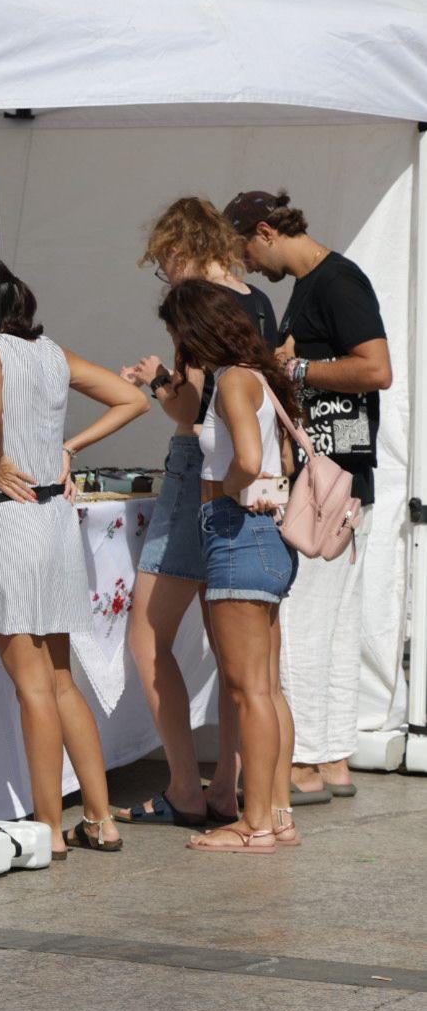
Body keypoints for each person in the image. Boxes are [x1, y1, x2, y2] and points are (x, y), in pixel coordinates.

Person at [0, 266, 147, 857]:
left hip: (11, 517)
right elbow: (132, 398)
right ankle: (100, 817)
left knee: (32, 684)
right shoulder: (53, 352)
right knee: (60, 679)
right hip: (56, 517)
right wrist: (70, 447)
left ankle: (46, 828)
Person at [115, 197, 285, 826]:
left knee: (148, 632)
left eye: (165, 261)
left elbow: (190, 412)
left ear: (182, 247)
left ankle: (186, 787)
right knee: (245, 659)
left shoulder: (197, 310)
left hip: (202, 474)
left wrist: (160, 379)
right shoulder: (259, 303)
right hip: (260, 489)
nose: (167, 275)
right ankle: (237, 790)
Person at [224, 189, 391, 800]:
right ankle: (334, 756)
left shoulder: (337, 281)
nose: (245, 266)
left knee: (298, 620)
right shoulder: (311, 286)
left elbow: (376, 369)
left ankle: (305, 762)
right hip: (339, 480)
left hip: (330, 482)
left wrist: (293, 370)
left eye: (243, 249)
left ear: (265, 231)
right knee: (334, 621)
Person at [159, 279, 303, 852]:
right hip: (266, 541)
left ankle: (257, 822)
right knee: (266, 689)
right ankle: (279, 814)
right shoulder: (259, 377)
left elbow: (246, 458)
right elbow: (280, 455)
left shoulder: (234, 381)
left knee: (248, 693)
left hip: (238, 536)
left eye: (178, 331)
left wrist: (229, 494)